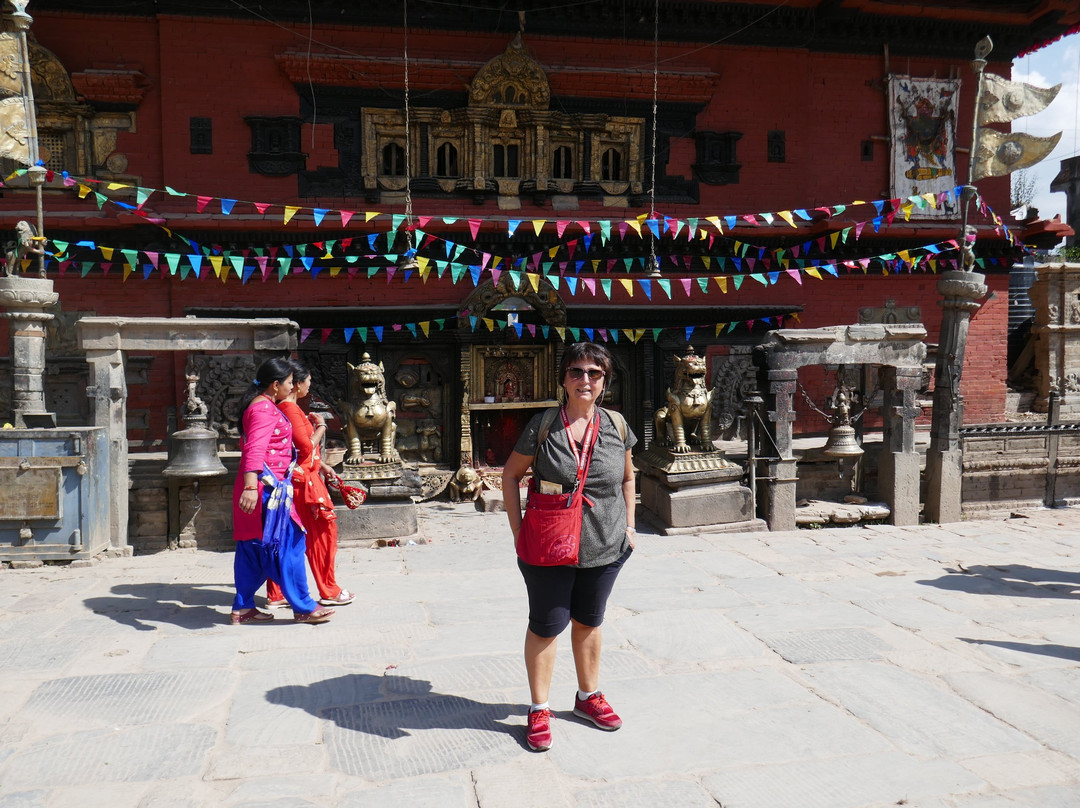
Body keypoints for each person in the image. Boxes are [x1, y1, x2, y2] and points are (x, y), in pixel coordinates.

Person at [501, 342, 637, 752]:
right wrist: (518, 530)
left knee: (590, 621)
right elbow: (510, 476)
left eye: (594, 374)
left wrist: (630, 526)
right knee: (546, 624)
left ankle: (587, 696)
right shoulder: (544, 425)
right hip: (548, 544)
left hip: (604, 543)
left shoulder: (615, 424)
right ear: (563, 379)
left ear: (604, 382)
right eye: (577, 372)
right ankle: (540, 707)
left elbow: (629, 477)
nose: (585, 380)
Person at [231, 357, 335, 625]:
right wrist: (253, 487)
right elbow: (255, 448)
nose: (293, 387)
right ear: (276, 385)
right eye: (290, 383)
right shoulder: (264, 410)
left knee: (251, 546)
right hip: (266, 490)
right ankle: (303, 606)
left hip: (259, 486)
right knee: (290, 544)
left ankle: (243, 608)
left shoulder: (260, 405)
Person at [266, 361, 354, 608]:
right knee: (323, 535)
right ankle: (329, 590)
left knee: (286, 535)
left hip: (301, 478)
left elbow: (300, 451)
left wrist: (323, 465)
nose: (309, 385)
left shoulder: (287, 408)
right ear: (296, 384)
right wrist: (322, 426)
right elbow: (306, 446)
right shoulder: (290, 409)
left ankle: (277, 593)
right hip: (305, 484)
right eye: (308, 381)